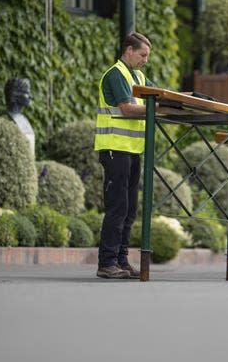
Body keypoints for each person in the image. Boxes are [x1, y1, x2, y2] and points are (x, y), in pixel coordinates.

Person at [94, 31, 155, 279]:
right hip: (114, 148)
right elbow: (129, 109)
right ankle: (107, 262)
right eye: (142, 55)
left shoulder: (138, 75)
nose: (145, 60)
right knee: (118, 206)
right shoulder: (116, 74)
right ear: (128, 50)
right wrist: (158, 107)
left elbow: (155, 95)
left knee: (129, 208)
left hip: (131, 149)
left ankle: (120, 260)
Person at [4, 78, 35, 153]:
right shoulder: (7, 119)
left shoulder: (23, 119)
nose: (30, 96)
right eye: (26, 93)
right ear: (15, 94)